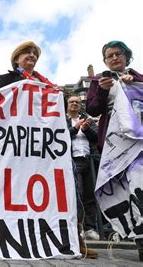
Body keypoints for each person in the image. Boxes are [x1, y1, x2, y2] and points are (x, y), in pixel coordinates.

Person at [86, 40, 143, 260]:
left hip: (138, 142)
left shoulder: (138, 79)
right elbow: (92, 108)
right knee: (122, 189)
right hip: (113, 145)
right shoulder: (98, 81)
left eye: (118, 54)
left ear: (127, 56)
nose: (114, 58)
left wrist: (134, 81)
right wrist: (101, 90)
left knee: (139, 185)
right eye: (109, 55)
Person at [66, 96, 99, 258]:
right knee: (77, 195)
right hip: (72, 161)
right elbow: (58, 137)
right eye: (71, 102)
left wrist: (86, 129)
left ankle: (90, 228)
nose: (74, 104)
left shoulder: (88, 120)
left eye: (77, 102)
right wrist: (74, 129)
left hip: (89, 160)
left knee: (90, 194)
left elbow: (97, 138)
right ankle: (77, 232)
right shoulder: (61, 120)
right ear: (67, 105)